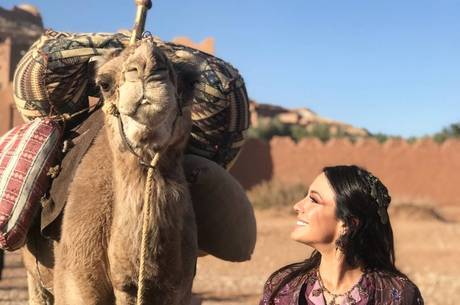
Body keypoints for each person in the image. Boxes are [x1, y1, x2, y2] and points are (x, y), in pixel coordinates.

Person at [259, 165, 424, 305]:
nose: (297, 206)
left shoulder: (398, 295)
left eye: (314, 200)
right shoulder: (283, 287)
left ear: (348, 223)